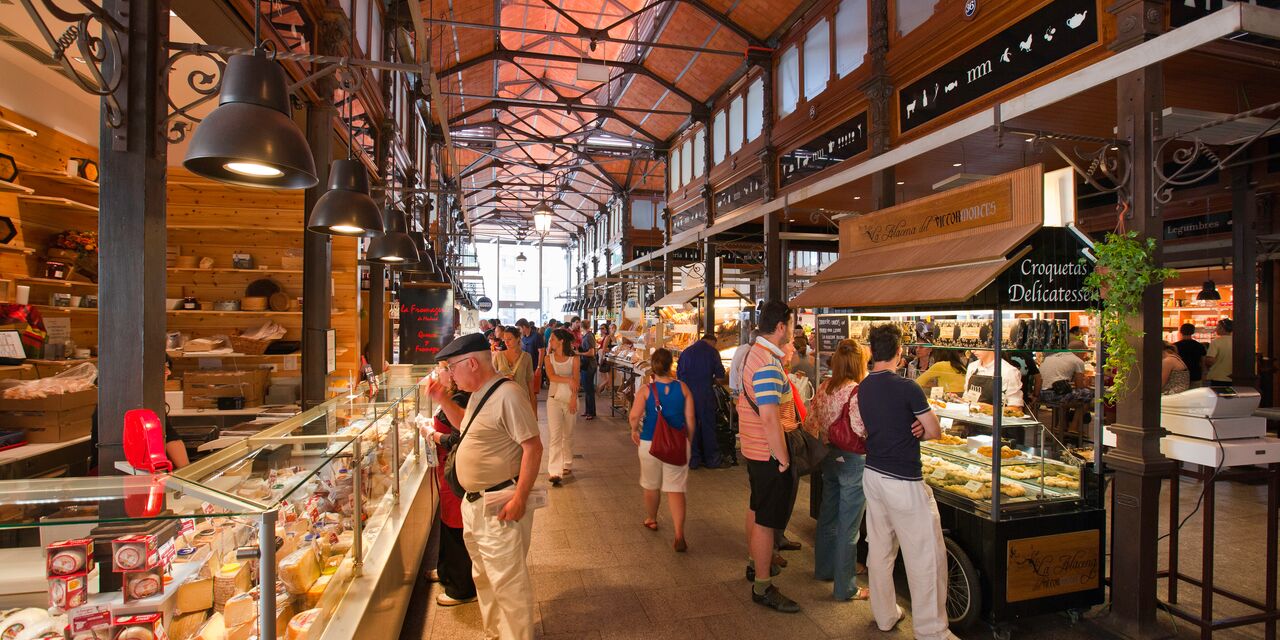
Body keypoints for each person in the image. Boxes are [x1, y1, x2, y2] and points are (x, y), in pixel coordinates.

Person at [426, 334, 543, 640]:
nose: (450, 374)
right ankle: (495, 633)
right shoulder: (480, 392)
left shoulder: (508, 395)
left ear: (472, 363)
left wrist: (520, 498)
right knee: (484, 576)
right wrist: (443, 400)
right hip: (475, 503)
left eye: (452, 367)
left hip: (499, 502)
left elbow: (533, 447)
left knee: (507, 582)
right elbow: (467, 425)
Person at [858, 324, 954, 640]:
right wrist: (919, 428)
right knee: (924, 555)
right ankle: (931, 630)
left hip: (873, 473)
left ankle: (885, 615)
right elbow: (935, 430)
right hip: (904, 478)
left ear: (873, 352)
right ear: (899, 353)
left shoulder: (864, 386)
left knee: (881, 548)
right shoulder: (908, 388)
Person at [737, 301, 802, 613]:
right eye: (790, 325)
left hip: (753, 448)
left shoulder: (755, 353)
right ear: (780, 327)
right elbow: (769, 418)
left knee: (756, 506)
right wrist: (783, 457)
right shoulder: (766, 364)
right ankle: (762, 586)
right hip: (767, 452)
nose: (791, 331)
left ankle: (754, 564)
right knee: (766, 520)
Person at [809, 338, 870, 602]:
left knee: (828, 515)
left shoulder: (824, 387)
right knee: (849, 525)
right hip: (853, 459)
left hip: (828, 455)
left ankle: (824, 569)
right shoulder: (856, 391)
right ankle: (845, 587)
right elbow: (860, 429)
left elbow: (811, 420)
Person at [628, 348, 695, 553]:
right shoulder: (683, 388)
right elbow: (690, 419)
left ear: (653, 366)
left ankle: (652, 519)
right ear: (671, 365)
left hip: (650, 443)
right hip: (677, 444)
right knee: (675, 490)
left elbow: (634, 416)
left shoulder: (646, 390)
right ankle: (678, 534)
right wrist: (688, 441)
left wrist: (633, 430)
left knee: (651, 485)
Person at [422, 382, 477, 607]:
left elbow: (458, 436)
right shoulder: (454, 396)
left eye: (447, 366)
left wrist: (432, 435)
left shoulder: (462, 399)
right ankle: (446, 571)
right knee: (447, 522)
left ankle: (461, 587)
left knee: (456, 525)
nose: (441, 373)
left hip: (455, 468)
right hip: (445, 468)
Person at [677, 332, 728, 469]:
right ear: (712, 342)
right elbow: (720, 376)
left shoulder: (686, 352)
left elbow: (679, 375)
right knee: (708, 427)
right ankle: (712, 460)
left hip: (686, 395)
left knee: (690, 426)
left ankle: (692, 460)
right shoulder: (712, 352)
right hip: (705, 395)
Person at [544, 329, 580, 486]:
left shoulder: (575, 359)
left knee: (568, 433)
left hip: (570, 399)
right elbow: (551, 377)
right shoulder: (548, 358)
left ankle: (567, 463)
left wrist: (573, 399)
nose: (550, 341)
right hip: (553, 399)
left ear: (561, 341)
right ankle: (554, 470)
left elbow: (577, 381)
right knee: (555, 435)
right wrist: (568, 380)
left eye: (552, 339)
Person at [494, 327, 536, 412]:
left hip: (521, 398)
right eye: (505, 339)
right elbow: (491, 378)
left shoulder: (527, 357)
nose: (506, 342)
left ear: (518, 339)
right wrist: (503, 378)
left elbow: (530, 382)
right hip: (503, 398)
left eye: (509, 339)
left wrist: (533, 408)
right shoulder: (499, 356)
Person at [517, 320, 545, 409]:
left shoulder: (537, 336)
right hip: (524, 368)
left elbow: (541, 351)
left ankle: (534, 415)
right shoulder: (523, 338)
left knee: (533, 393)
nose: (519, 331)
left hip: (534, 368)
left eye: (519, 328)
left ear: (524, 327)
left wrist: (539, 367)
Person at [576, 320, 598, 419]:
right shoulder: (586, 336)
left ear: (581, 326)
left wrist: (579, 353)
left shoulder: (589, 336)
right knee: (587, 389)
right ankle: (588, 410)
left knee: (589, 390)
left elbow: (591, 353)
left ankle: (591, 412)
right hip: (586, 365)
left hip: (589, 365)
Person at [1204, 319, 1233, 386]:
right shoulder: (1237, 341)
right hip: (1233, 377)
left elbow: (1210, 360)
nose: (1216, 329)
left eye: (1217, 326)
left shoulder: (1216, 342)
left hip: (1218, 376)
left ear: (1222, 328)